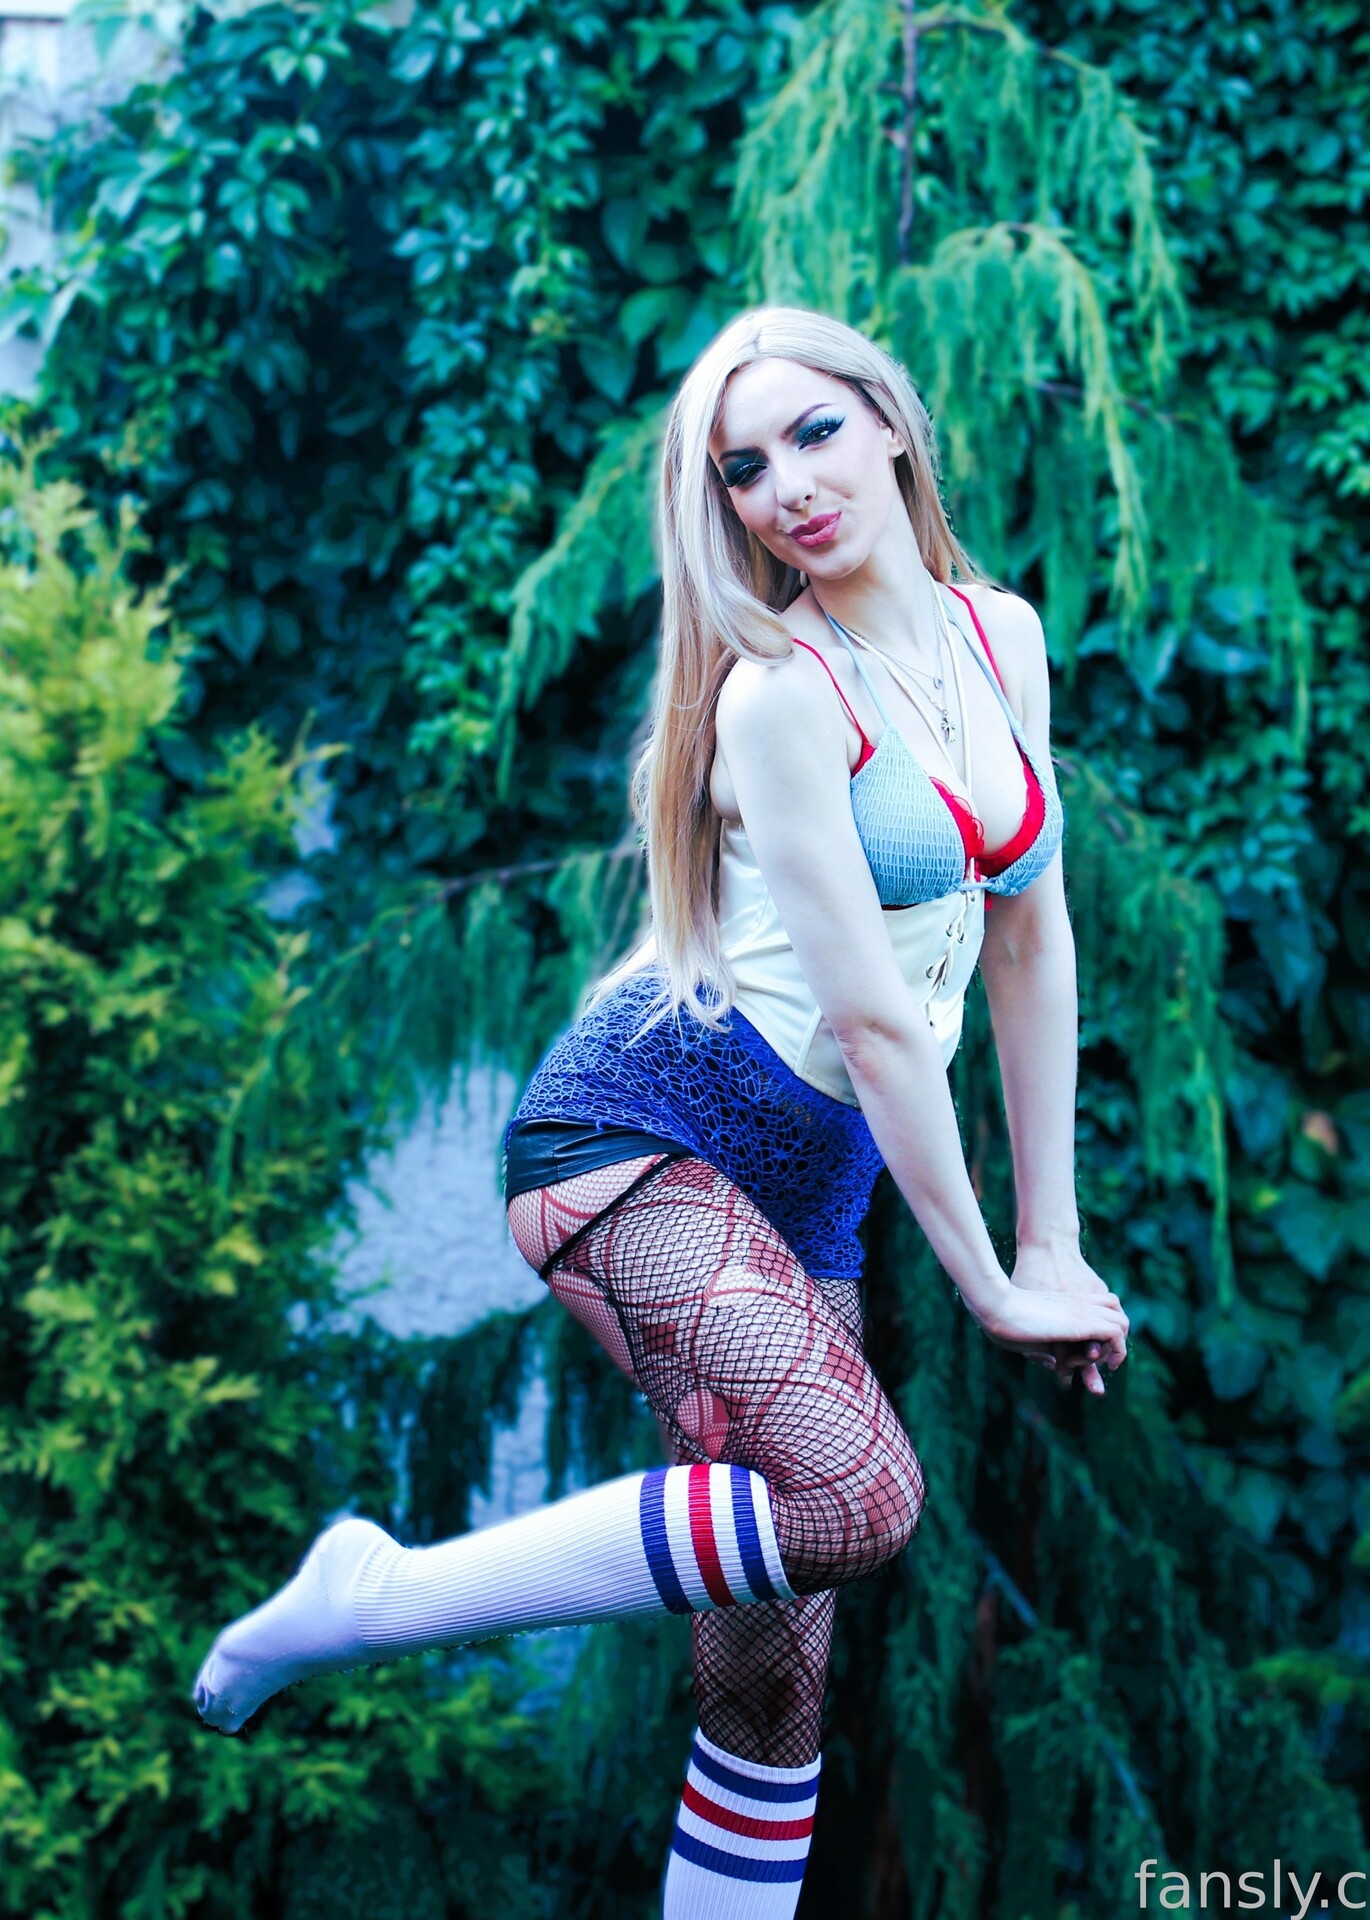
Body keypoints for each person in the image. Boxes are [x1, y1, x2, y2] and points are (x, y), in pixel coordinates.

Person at [191, 306, 1130, 1916]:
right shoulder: (779, 695)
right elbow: (874, 1026)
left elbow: (1029, 943)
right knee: (855, 1498)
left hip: (809, 1179)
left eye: (813, 434)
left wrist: (1052, 1240)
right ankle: (377, 1595)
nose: (788, 487)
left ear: (892, 424)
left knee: (770, 1688)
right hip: (642, 1133)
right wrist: (985, 1285)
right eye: (743, 469)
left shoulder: (1002, 638)